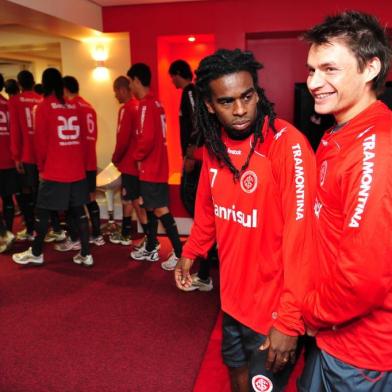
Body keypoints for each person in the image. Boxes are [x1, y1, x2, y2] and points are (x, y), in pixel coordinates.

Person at [175, 49, 317, 391]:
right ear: (209, 105)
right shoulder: (214, 148)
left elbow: (304, 243)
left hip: (272, 311)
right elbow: (209, 211)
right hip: (232, 301)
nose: (240, 110)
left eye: (247, 96)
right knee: (236, 374)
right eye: (226, 101)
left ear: (257, 93)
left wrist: (288, 320)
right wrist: (191, 251)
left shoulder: (287, 146)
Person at [297, 11, 392, 391]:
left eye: (329, 70)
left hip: (359, 350)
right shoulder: (339, 133)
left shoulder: (377, 147)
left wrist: (308, 311)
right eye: (311, 70)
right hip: (330, 333)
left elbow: (362, 280)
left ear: (371, 68)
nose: (314, 83)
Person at [12, 68, 93, 267]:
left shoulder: (44, 107)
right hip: (76, 169)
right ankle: (86, 253)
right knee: (80, 211)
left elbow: (40, 144)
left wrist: (41, 167)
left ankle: (37, 252)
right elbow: (82, 140)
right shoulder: (73, 106)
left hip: (55, 170)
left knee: (42, 211)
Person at [127, 63, 183, 268]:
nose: (131, 86)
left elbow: (147, 139)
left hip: (151, 167)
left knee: (159, 209)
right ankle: (151, 246)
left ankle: (179, 252)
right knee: (150, 206)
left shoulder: (145, 104)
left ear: (137, 80)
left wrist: (136, 156)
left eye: (131, 82)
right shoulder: (156, 103)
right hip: (158, 165)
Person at [169, 59, 213, 290]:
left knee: (198, 209)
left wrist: (190, 154)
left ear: (179, 74)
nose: (172, 81)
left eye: (172, 76)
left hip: (195, 159)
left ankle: (206, 262)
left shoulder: (190, 91)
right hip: (196, 158)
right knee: (200, 212)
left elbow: (197, 123)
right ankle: (206, 261)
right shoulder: (191, 92)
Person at [61, 75, 105, 247]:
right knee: (91, 198)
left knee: (72, 201)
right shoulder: (89, 106)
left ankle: (75, 239)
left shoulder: (71, 107)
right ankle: (97, 235)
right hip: (90, 160)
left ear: (65, 89)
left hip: (77, 162)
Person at [110, 76, 149, 246]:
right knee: (128, 198)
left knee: (136, 201)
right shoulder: (139, 106)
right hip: (138, 163)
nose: (115, 96)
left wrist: (115, 158)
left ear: (122, 90)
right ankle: (126, 232)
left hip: (129, 163)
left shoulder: (127, 109)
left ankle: (151, 239)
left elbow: (122, 139)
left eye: (116, 92)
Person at [0, 73, 16, 253]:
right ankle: (9, 232)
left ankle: (4, 234)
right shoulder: (9, 104)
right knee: (7, 198)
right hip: (10, 158)